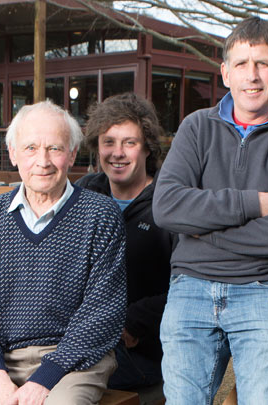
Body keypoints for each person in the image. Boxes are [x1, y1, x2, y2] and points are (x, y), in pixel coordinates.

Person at [152, 17, 268, 404]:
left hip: (267, 288)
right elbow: (165, 207)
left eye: (263, 64)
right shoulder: (196, 127)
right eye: (242, 64)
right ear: (225, 73)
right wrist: (254, 203)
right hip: (192, 287)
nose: (253, 75)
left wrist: (199, 229)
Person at [0, 100, 127, 405]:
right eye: (31, 148)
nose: (42, 161)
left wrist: (44, 379)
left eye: (55, 149)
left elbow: (102, 314)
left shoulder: (101, 215)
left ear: (72, 154)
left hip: (72, 361)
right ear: (13, 154)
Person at [76, 92, 174, 390]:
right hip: (82, 337)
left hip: (140, 351)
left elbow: (186, 287)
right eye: (108, 142)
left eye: (129, 143)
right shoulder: (84, 193)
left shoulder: (169, 202)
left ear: (147, 148)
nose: (117, 152)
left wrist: (131, 323)